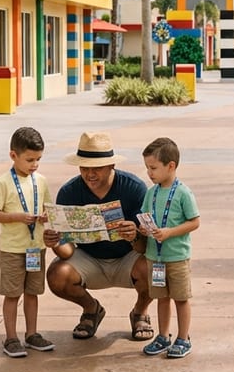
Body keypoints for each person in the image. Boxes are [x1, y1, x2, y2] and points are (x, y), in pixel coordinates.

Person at [43, 131, 153, 341]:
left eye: (97, 168)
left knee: (156, 267)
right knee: (57, 275)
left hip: (128, 257)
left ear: (112, 166)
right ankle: (91, 309)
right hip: (89, 259)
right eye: (84, 168)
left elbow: (145, 247)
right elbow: (67, 252)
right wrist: (56, 243)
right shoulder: (69, 192)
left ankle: (140, 312)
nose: (89, 174)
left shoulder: (134, 188)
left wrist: (134, 235)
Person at [0, 127, 55, 357]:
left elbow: (47, 208)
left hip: (36, 247)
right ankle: (11, 337)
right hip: (13, 249)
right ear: (13, 156)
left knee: (32, 292)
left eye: (38, 159)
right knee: (12, 293)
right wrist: (18, 217)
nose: (34, 164)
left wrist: (46, 217)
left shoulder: (41, 181)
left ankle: (32, 333)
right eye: (29, 160)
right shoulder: (4, 182)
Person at [138, 137, 200, 359]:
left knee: (180, 298)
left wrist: (168, 233)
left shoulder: (183, 192)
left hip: (176, 257)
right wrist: (144, 229)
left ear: (170, 166)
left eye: (153, 168)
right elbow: (144, 217)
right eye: (147, 168)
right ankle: (163, 336)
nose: (149, 173)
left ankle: (183, 338)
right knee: (161, 297)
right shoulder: (151, 193)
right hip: (155, 258)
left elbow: (194, 222)